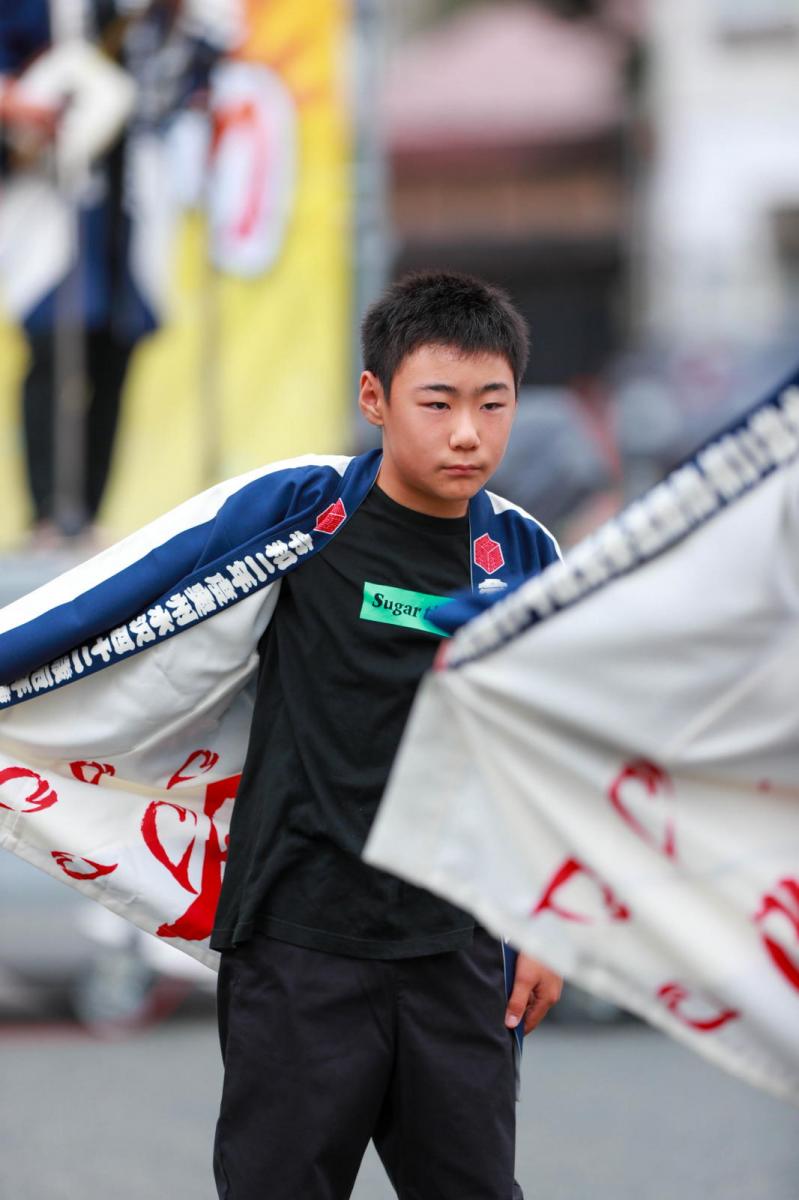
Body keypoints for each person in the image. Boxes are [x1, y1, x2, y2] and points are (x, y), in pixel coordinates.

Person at [209, 270, 563, 1200]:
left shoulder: (525, 554)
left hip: (455, 954)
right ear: (374, 398)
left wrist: (548, 923)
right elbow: (131, 605)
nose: (465, 433)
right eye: (436, 401)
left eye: (493, 404)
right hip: (298, 946)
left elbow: (549, 749)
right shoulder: (302, 517)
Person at [0, 0, 223, 546]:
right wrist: (23, 106)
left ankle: (89, 511)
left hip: (133, 197)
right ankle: (49, 512)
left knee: (116, 347)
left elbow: (197, 79)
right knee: (53, 342)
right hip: (55, 190)